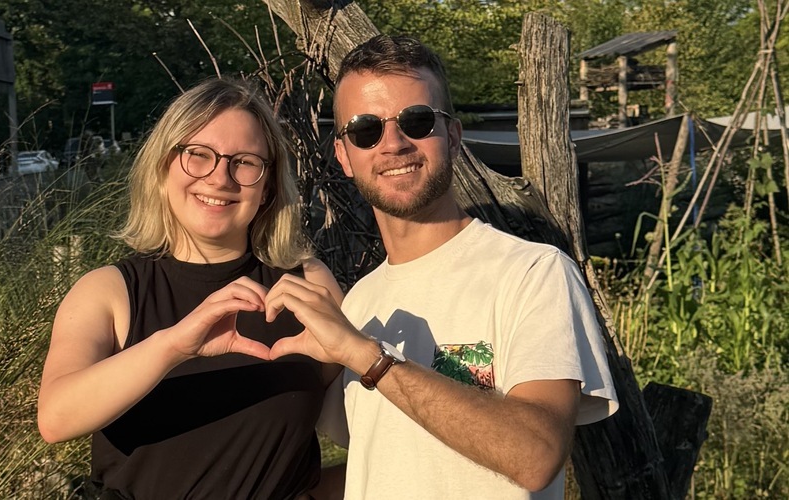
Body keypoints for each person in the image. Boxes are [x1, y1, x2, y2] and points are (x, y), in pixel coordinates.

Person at [264, 35, 619, 499]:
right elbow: (386, 463)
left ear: (452, 136)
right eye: (365, 130)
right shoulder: (360, 303)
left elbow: (536, 456)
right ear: (344, 156)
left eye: (417, 121)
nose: (393, 144)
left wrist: (369, 358)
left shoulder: (533, 273)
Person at [37, 78, 344, 499]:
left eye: (245, 162)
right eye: (197, 156)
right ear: (163, 168)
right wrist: (174, 346)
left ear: (268, 186)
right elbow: (55, 418)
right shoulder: (108, 291)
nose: (220, 178)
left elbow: (368, 430)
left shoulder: (307, 283)